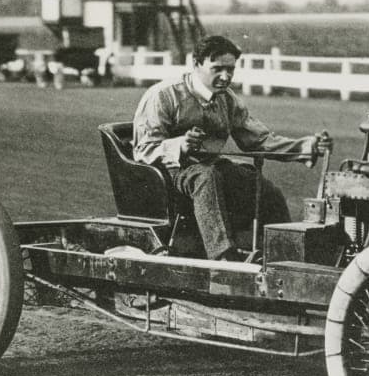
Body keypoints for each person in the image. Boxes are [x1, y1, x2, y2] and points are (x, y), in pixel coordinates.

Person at [132, 35, 332, 261]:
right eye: (217, 69)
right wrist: (180, 144)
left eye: (230, 70)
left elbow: (259, 140)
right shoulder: (163, 95)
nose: (225, 77)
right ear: (196, 64)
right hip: (171, 171)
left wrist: (308, 146)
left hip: (210, 168)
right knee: (206, 178)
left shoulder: (227, 99)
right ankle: (223, 258)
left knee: (264, 189)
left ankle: (283, 254)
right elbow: (144, 149)